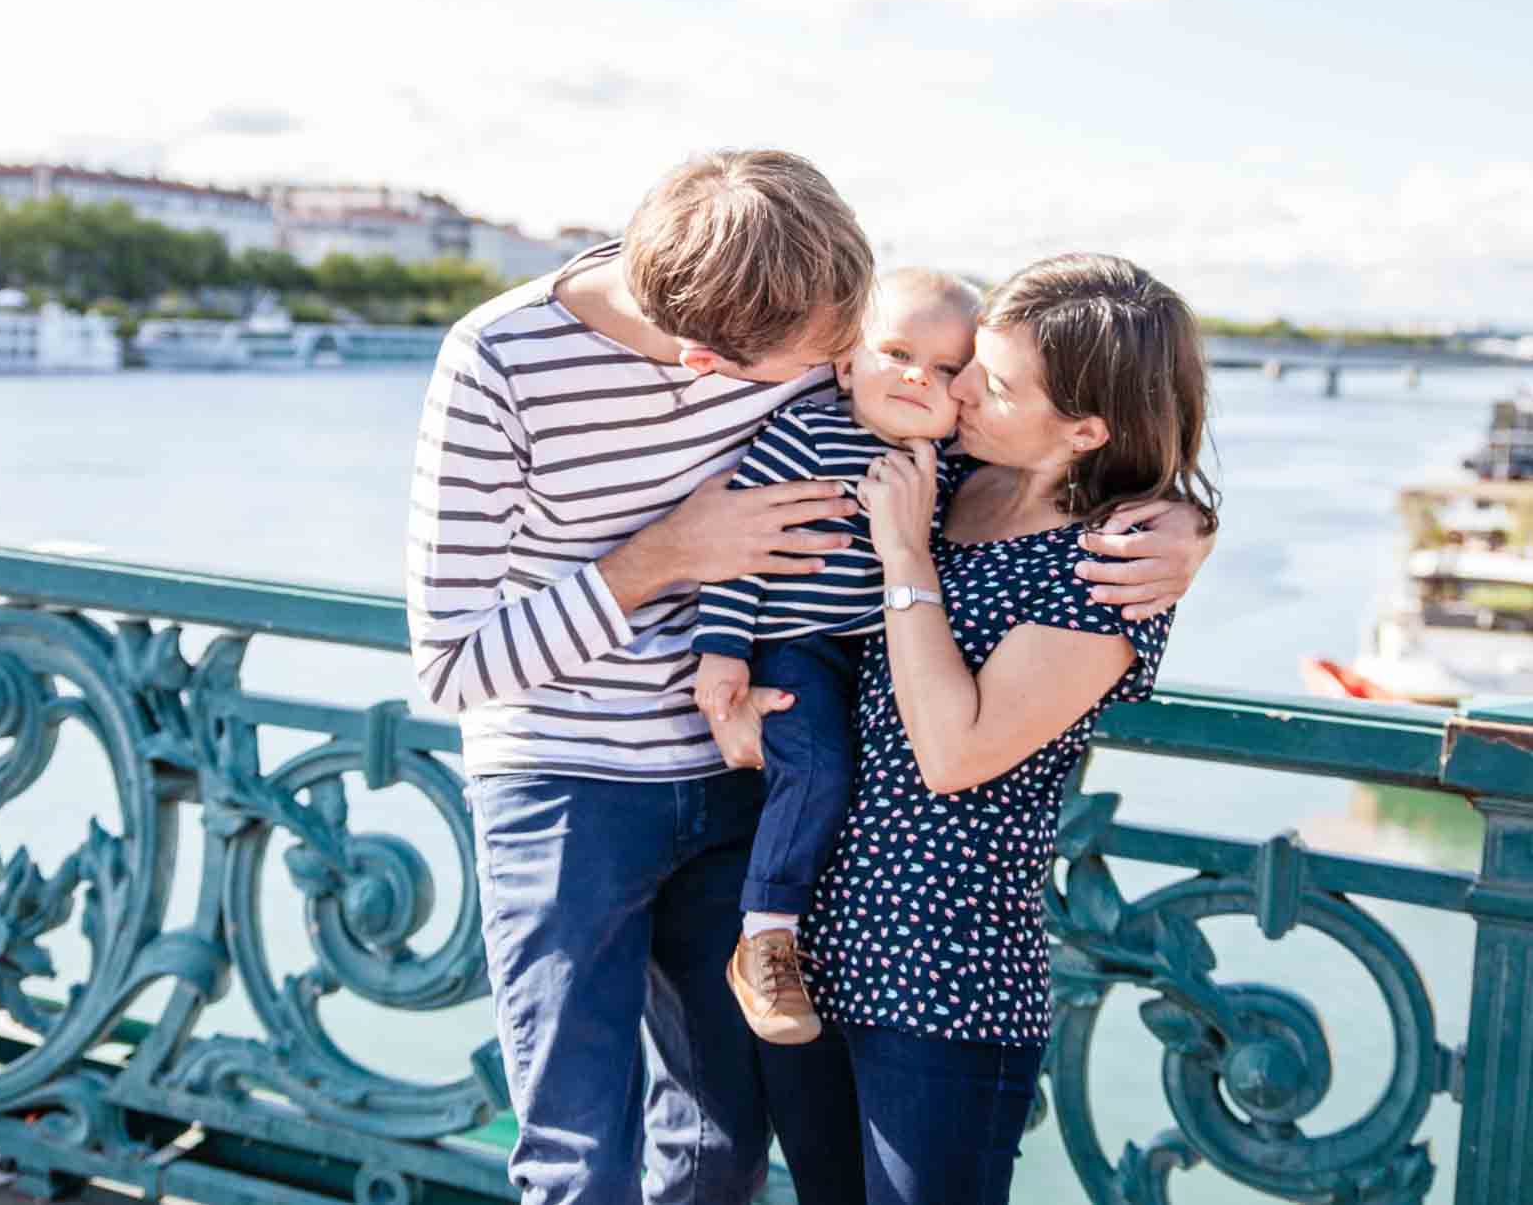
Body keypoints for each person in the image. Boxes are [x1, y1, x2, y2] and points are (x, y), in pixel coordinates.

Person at [406, 150, 1212, 1205]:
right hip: (572, 787)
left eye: (852, 349)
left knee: (718, 1150)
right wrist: (669, 550)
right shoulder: (500, 361)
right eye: (826, 360)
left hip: (760, 795)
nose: (859, 377)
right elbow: (450, 668)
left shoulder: (798, 306)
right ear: (705, 361)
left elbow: (1033, 446)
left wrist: (1185, 520)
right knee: (576, 1155)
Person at [801, 252, 1220, 1205]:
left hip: (945, 971)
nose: (957, 393)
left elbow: (955, 752)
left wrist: (904, 551)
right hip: (811, 936)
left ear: (1085, 430)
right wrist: (1202, 517)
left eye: (991, 384)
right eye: (966, 368)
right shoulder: (952, 470)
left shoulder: (1107, 567)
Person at [690, 269, 980, 1045]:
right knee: (818, 765)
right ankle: (765, 936)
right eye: (897, 352)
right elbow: (736, 545)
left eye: (948, 369)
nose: (921, 375)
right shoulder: (807, 434)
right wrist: (721, 651)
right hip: (795, 647)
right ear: (847, 365)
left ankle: (839, 944)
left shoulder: (952, 466)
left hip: (886, 657)